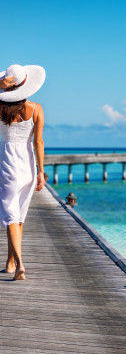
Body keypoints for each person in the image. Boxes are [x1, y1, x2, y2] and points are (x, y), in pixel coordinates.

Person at [0, 64, 46, 280]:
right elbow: (38, 142)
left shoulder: (0, 108)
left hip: (8, 160)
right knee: (18, 217)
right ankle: (10, 263)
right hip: (27, 162)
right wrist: (41, 171)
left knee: (10, 215)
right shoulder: (36, 108)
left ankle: (20, 264)